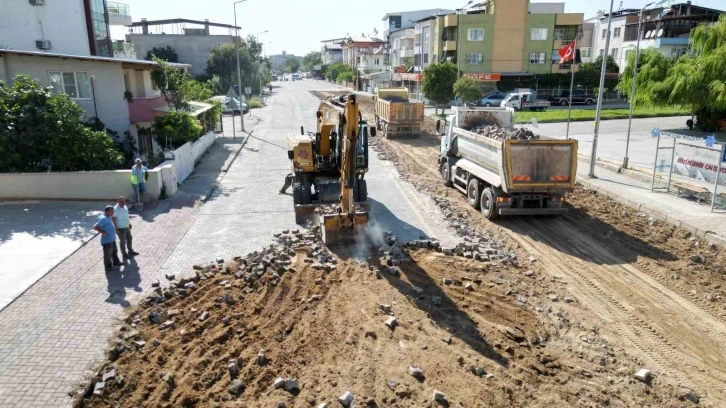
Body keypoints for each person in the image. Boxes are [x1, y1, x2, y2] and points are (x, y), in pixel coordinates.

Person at [94, 205, 122, 271]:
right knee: (108, 254)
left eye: (113, 211)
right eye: (111, 211)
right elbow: (95, 227)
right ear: (107, 211)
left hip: (112, 239)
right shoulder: (103, 218)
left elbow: (97, 219)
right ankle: (108, 266)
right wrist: (103, 232)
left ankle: (116, 262)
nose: (113, 212)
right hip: (107, 241)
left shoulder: (108, 216)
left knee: (114, 251)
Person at [113, 196, 139, 260]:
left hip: (126, 226)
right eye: (121, 202)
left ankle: (130, 251)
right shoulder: (116, 209)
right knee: (123, 241)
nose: (123, 203)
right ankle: (124, 254)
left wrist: (129, 223)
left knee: (129, 238)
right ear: (118, 202)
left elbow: (126, 216)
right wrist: (116, 229)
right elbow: (113, 220)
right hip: (120, 228)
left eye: (124, 201)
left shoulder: (125, 207)